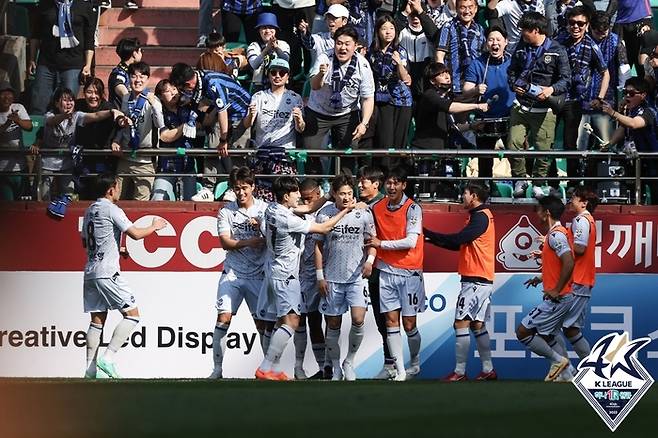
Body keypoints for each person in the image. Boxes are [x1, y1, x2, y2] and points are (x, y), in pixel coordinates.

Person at [255, 176, 355, 380]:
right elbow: (323, 228)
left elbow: (308, 210)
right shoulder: (288, 219)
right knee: (292, 322)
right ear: (286, 196)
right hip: (287, 275)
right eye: (295, 194)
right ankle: (265, 367)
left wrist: (328, 194)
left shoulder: (272, 209)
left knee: (281, 321)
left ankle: (273, 368)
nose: (299, 196)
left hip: (274, 271)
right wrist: (346, 210)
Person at [81, 173, 167, 378]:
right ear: (111, 189)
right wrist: (154, 227)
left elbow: (86, 242)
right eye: (118, 187)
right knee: (132, 315)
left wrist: (115, 250)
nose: (119, 190)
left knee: (97, 320)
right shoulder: (112, 209)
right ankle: (107, 359)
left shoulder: (89, 211)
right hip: (107, 271)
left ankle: (90, 370)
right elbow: (136, 234)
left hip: (91, 271)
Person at [424, 183, 497, 381]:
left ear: (473, 196)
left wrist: (428, 233)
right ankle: (488, 369)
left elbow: (459, 239)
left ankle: (459, 372)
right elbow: (461, 245)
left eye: (464, 193)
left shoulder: (480, 217)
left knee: (461, 324)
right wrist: (432, 240)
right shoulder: (482, 216)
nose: (462, 196)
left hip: (475, 279)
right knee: (477, 325)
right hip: (482, 279)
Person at [315, 175, 377, 381]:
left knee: (359, 319)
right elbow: (318, 245)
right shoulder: (325, 215)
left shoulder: (364, 212)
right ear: (334, 193)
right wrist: (319, 276)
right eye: (342, 193)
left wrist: (369, 261)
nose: (347, 197)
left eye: (350, 193)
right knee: (333, 324)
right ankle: (335, 367)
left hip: (357, 277)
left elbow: (372, 241)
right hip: (332, 277)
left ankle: (349, 361)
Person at [367, 165, 424, 381]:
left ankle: (415, 362)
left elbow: (411, 241)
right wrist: (372, 258)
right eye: (388, 183)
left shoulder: (413, 209)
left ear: (403, 185)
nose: (391, 187)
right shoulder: (377, 208)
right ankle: (399, 370)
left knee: (409, 324)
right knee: (391, 321)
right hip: (386, 272)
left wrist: (381, 243)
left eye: (395, 183)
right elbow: (371, 238)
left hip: (410, 271)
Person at [209, 167, 268, 379]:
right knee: (223, 318)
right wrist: (249, 241)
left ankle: (267, 368)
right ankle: (217, 369)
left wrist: (261, 227)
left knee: (261, 324)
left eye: (244, 188)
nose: (241, 193)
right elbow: (225, 242)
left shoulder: (264, 210)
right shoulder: (226, 211)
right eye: (237, 189)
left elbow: (274, 237)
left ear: (253, 187)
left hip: (258, 274)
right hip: (232, 273)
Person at [507, 12, 570, 197]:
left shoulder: (557, 50)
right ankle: (520, 178)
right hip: (521, 106)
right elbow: (511, 71)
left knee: (544, 150)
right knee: (514, 144)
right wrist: (514, 85)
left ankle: (538, 183)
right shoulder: (520, 47)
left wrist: (551, 90)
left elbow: (566, 80)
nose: (522, 34)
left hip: (545, 109)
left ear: (536, 30)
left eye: (525, 30)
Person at [169, 63, 251, 201]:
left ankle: (236, 187)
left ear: (188, 84)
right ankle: (208, 189)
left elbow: (223, 111)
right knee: (212, 147)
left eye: (182, 88)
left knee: (237, 152)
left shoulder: (213, 83)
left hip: (240, 113)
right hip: (221, 112)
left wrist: (224, 140)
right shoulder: (199, 79)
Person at [516, 195, 574, 381]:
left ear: (546, 213)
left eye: (539, 211)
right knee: (549, 335)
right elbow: (558, 265)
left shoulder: (556, 235)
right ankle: (567, 373)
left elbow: (568, 262)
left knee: (523, 332)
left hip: (558, 298)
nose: (537, 215)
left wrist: (556, 289)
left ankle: (559, 362)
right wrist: (540, 278)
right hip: (561, 296)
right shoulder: (555, 234)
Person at [304, 26, 375, 175]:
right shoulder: (324, 57)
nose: (342, 48)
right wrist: (321, 75)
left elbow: (367, 98)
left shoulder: (363, 65)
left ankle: (344, 189)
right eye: (339, 43)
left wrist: (364, 123)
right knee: (311, 152)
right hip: (318, 111)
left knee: (348, 154)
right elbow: (314, 86)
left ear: (355, 46)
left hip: (347, 113)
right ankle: (314, 190)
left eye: (347, 44)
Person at [35, 87, 122, 202]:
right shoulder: (49, 115)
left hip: (66, 165)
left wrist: (112, 111)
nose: (69, 103)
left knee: (68, 197)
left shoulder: (76, 116)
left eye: (71, 100)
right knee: (43, 198)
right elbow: (53, 121)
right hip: (47, 164)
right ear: (56, 103)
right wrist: (65, 116)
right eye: (65, 100)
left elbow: (95, 116)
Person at [555, 6, 609, 191]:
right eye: (572, 23)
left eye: (580, 23)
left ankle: (572, 183)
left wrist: (600, 98)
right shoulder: (559, 41)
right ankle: (551, 183)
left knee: (571, 143)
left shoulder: (592, 45)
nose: (576, 27)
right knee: (548, 142)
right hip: (554, 97)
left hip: (576, 101)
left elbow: (605, 72)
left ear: (587, 25)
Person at [243, 58, 305, 202]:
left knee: (285, 198)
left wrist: (299, 119)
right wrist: (251, 115)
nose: (277, 75)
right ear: (268, 75)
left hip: (285, 155)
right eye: (273, 72)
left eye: (282, 73)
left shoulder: (295, 98)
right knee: (262, 199)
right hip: (263, 154)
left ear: (287, 77)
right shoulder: (258, 97)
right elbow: (247, 124)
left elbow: (301, 129)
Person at [463, 26, 515, 192]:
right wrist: (475, 90)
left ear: (506, 42)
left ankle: (521, 187)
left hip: (510, 116)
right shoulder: (477, 63)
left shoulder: (513, 63)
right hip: (485, 118)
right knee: (485, 159)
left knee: (515, 156)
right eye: (491, 40)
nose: (495, 43)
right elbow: (466, 89)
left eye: (498, 40)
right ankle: (485, 190)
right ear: (486, 43)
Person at [356, 165, 395, 378]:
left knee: (389, 318)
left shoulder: (384, 205)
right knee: (381, 321)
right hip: (367, 270)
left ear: (376, 184)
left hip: (385, 269)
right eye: (359, 180)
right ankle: (390, 364)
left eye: (364, 181)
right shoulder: (361, 204)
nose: (360, 184)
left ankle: (395, 364)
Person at [29, 0, 97, 115]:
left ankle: (65, 132)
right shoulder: (44, 5)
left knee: (67, 105)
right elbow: (35, 35)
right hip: (47, 62)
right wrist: (31, 59)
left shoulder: (84, 6)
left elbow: (89, 39)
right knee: (38, 104)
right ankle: (40, 132)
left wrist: (88, 64)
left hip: (73, 63)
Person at [577, 11, 630, 157]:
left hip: (606, 102)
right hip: (582, 102)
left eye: (605, 31)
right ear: (590, 27)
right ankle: (576, 178)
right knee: (579, 147)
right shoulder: (582, 41)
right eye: (598, 32)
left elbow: (624, 70)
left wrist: (624, 96)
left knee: (606, 143)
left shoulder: (615, 41)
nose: (602, 34)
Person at [295, 178, 332, 379]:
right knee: (311, 320)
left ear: (318, 194)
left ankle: (331, 365)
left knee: (331, 321)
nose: (306, 202)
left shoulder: (330, 210)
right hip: (305, 276)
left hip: (328, 274)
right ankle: (321, 367)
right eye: (303, 198)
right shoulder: (300, 212)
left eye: (309, 198)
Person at [111, 62, 165, 201]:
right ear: (129, 78)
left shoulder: (153, 100)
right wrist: (116, 140)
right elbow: (124, 124)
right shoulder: (125, 98)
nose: (137, 80)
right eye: (134, 76)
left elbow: (160, 124)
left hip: (145, 161)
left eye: (142, 76)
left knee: (141, 204)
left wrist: (154, 106)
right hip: (125, 157)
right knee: (116, 199)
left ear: (148, 79)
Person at [601, 77, 658, 204]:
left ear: (643, 95)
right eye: (625, 93)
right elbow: (623, 129)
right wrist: (610, 143)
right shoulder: (630, 110)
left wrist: (613, 113)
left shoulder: (649, 111)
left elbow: (633, 124)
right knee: (632, 196)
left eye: (631, 94)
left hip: (652, 162)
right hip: (634, 160)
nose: (627, 96)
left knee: (655, 197)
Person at [151, 79, 207, 201]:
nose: (172, 93)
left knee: (191, 201)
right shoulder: (159, 113)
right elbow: (165, 136)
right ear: (160, 95)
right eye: (167, 91)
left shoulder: (188, 108)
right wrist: (186, 125)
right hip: (167, 165)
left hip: (188, 164)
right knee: (158, 197)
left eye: (174, 89)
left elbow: (202, 123)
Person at [368, 15, 413, 151]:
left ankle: (397, 171)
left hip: (401, 100)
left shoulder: (400, 51)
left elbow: (406, 79)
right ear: (378, 31)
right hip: (382, 100)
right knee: (384, 141)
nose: (388, 32)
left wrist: (399, 63)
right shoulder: (371, 53)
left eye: (391, 28)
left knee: (399, 143)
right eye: (384, 28)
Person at [74, 78, 118, 199]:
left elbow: (119, 129)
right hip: (82, 158)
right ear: (84, 93)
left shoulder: (109, 107)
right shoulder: (78, 105)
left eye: (97, 92)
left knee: (100, 193)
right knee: (83, 194)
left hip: (103, 158)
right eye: (89, 92)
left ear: (102, 93)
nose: (93, 96)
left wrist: (115, 141)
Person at [436, 0, 485, 94]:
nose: (467, 11)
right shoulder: (448, 27)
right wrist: (443, 81)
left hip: (475, 84)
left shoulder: (480, 29)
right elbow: (439, 55)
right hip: (454, 84)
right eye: (463, 7)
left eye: (470, 7)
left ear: (476, 9)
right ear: (457, 9)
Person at [397, 0, 441, 102]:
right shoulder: (403, 33)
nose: (415, 18)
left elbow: (436, 36)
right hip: (408, 75)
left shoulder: (428, 32)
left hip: (426, 76)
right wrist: (405, 13)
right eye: (412, 15)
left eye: (418, 15)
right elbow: (392, 32)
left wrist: (421, 11)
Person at [0, 82, 32, 201]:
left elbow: (29, 126)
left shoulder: (18, 107)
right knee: (8, 205)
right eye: (3, 94)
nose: (6, 97)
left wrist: (18, 120)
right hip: (3, 170)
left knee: (23, 204)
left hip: (20, 167)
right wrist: (7, 124)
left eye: (9, 94)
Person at [298, 4, 350, 76]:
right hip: (321, 79)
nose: (331, 21)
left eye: (335, 18)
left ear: (344, 21)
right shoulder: (320, 38)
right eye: (329, 18)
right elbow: (309, 43)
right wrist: (305, 32)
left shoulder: (352, 42)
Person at [247, 13, 292, 93]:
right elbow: (254, 65)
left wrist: (277, 49)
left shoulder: (283, 44)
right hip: (259, 86)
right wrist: (266, 50)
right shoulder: (254, 46)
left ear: (275, 30)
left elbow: (286, 60)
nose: (267, 31)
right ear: (259, 30)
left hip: (280, 84)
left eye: (271, 27)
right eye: (264, 28)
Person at [608, 0, 652, 78]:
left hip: (641, 22)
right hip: (621, 24)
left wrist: (647, 23)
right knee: (621, 65)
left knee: (642, 65)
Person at [108, 38, 142, 110]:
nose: (141, 54)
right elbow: (121, 88)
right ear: (134, 54)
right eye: (140, 51)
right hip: (120, 116)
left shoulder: (132, 72)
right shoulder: (118, 73)